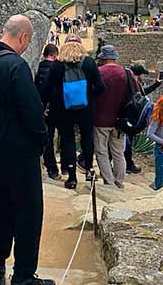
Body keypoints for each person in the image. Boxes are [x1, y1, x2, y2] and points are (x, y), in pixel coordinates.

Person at [0, 15, 53, 285]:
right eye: (28, 41)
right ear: (23, 38)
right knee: (28, 214)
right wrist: (41, 139)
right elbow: (33, 112)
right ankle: (22, 279)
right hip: (19, 154)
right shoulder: (15, 65)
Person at [44, 35, 105, 187]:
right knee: (87, 138)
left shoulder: (57, 64)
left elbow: (47, 89)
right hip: (86, 108)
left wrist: (45, 105)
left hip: (63, 109)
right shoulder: (89, 63)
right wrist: (89, 96)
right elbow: (100, 87)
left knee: (68, 140)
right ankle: (89, 171)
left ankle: (71, 178)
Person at [93, 45, 129, 188]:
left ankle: (109, 182)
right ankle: (119, 181)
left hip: (101, 118)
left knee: (101, 151)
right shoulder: (126, 73)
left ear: (103, 58)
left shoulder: (99, 73)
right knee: (118, 152)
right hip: (121, 119)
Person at [123, 64, 162, 174]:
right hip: (128, 118)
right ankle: (128, 165)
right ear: (138, 75)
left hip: (130, 118)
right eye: (142, 74)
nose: (144, 76)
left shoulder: (134, 84)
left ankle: (126, 164)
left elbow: (143, 93)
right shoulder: (132, 85)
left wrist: (157, 84)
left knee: (126, 142)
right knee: (126, 143)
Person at [34, 43, 61, 180]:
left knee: (47, 139)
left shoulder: (37, 69)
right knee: (64, 137)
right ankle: (66, 168)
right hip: (58, 109)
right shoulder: (59, 69)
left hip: (41, 109)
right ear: (54, 55)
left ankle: (51, 168)